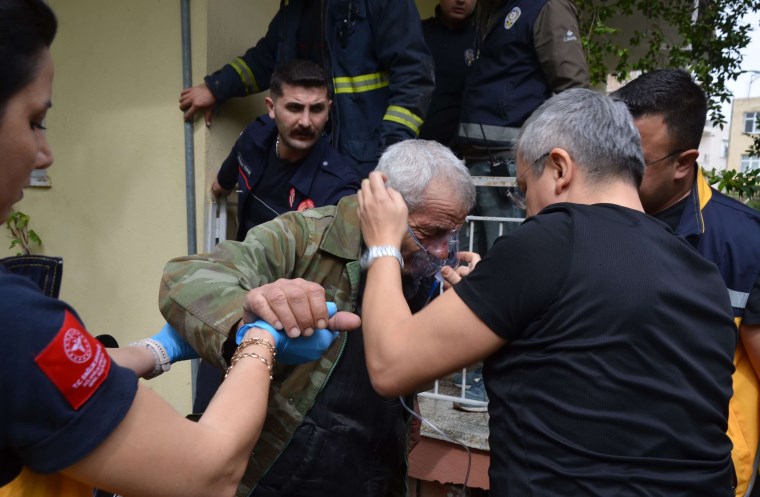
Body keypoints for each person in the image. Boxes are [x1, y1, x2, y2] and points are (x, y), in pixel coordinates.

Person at [260, 89, 739, 494]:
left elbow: (390, 366)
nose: (526, 210)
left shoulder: (552, 240)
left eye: (524, 189)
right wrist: (497, 301)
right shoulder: (703, 275)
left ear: (559, 168)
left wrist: (384, 242)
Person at [0, 2, 348, 496]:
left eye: (317, 109)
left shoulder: (339, 183)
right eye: (36, 121)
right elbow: (208, 473)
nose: (45, 153)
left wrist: (157, 350)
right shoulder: (15, 321)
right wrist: (259, 337)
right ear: (272, 109)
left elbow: (46, 381)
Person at [159, 139, 477, 496]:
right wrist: (248, 318)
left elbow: (404, 358)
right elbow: (185, 278)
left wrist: (461, 314)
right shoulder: (305, 237)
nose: (442, 251)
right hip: (284, 474)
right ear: (385, 205)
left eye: (452, 233)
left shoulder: (418, 270)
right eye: (431, 232)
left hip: (372, 474)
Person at [611, 69, 760, 497]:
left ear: (684, 162)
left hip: (704, 475)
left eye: (634, 162)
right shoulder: (593, 222)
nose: (615, 173)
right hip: (610, 463)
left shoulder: (746, 243)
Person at [179, 0, 435, 177]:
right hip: (306, 161)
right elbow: (264, 61)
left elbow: (414, 78)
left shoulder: (385, 4)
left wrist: (390, 152)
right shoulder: (296, 10)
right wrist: (217, 88)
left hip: (366, 162)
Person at [454, 0, 589, 254]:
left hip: (511, 161)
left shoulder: (546, 7)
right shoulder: (500, 9)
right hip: (478, 159)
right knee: (471, 261)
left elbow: (574, 93)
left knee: (505, 259)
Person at [211, 59, 359, 241]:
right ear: (271, 107)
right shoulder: (255, 136)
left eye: (316, 109)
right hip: (245, 254)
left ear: (328, 111)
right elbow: (225, 178)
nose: (305, 122)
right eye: (294, 108)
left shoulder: (338, 188)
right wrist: (222, 184)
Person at [418, 0, 477, 147]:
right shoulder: (418, 34)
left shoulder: (483, 40)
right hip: (414, 143)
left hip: (463, 148)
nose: (460, 1)